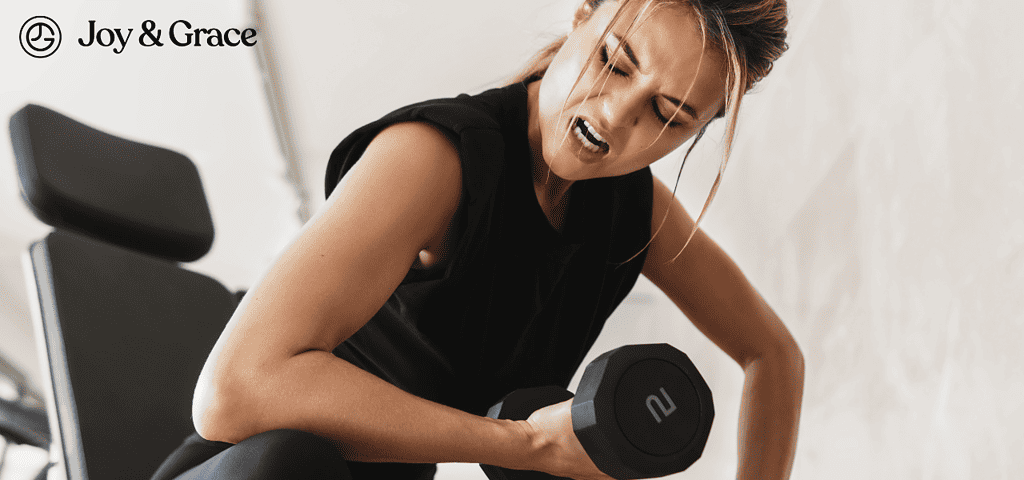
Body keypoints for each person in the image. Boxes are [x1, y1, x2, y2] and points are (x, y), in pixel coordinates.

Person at [152, 0, 803, 479]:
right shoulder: (434, 161)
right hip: (258, 469)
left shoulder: (632, 211)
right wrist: (526, 444)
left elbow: (772, 355)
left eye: (667, 114)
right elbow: (233, 393)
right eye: (614, 62)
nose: (614, 114)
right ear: (583, 16)